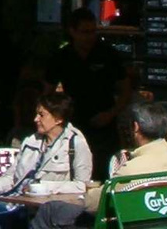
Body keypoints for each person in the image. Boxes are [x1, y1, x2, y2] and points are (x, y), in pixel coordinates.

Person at [28, 101, 167, 228]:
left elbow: (97, 203)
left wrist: (85, 195)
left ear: (136, 127)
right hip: (160, 219)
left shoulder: (133, 168)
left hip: (130, 221)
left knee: (50, 210)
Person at [0, 92, 91, 229]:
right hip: (13, 198)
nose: (35, 119)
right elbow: (11, 177)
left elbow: (82, 185)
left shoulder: (76, 143)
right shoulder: (31, 141)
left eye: (41, 115)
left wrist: (44, 187)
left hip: (36, 207)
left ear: (58, 118)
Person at [45, 10, 132, 175]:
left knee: (106, 171)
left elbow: (126, 90)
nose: (90, 37)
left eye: (93, 31)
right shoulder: (62, 57)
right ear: (73, 31)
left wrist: (110, 114)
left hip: (104, 125)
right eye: (85, 32)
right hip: (73, 124)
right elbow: (47, 94)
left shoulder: (107, 54)